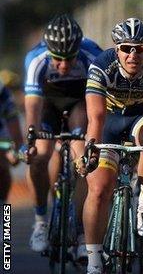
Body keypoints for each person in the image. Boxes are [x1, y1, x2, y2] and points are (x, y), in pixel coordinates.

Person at [81, 18, 143, 274]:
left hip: (140, 119)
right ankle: (93, 257)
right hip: (108, 120)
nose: (132, 54)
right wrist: (90, 149)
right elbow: (96, 117)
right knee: (100, 189)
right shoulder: (101, 66)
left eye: (140, 48)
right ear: (117, 50)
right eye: (126, 48)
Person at [22, 14, 102, 258]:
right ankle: (40, 221)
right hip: (48, 104)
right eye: (58, 58)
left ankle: (79, 230)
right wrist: (32, 139)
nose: (64, 65)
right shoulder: (36, 59)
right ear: (49, 51)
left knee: (82, 158)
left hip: (79, 102)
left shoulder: (93, 55)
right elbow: (33, 107)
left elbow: (97, 104)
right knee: (40, 156)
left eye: (70, 58)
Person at [0, 78, 23, 205]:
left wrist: (16, 148)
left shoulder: (2, 91)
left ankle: (5, 213)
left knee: (3, 165)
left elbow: (12, 119)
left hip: (1, 132)